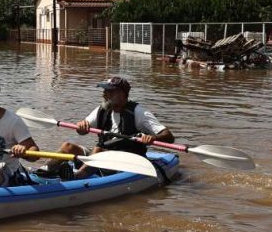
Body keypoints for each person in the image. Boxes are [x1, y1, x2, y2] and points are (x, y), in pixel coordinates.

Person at [40, 75, 174, 178]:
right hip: (101, 155)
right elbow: (82, 132)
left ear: (122, 94)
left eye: (109, 91)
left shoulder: (139, 112)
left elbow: (168, 136)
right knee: (67, 146)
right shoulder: (103, 109)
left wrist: (152, 138)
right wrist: (81, 126)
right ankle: (42, 171)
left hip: (127, 159)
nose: (104, 94)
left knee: (99, 150)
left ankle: (76, 177)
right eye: (105, 90)